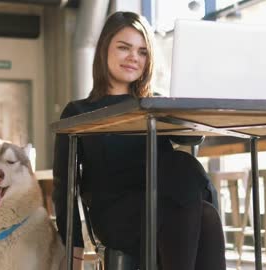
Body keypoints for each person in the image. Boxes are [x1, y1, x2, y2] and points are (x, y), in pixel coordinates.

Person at [53, 11, 226, 270]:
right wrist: (74, 249)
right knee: (200, 208)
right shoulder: (79, 112)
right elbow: (64, 187)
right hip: (117, 214)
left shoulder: (155, 103)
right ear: (104, 50)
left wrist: (191, 91)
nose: (134, 57)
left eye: (143, 52)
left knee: (186, 174)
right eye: (124, 48)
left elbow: (192, 134)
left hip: (167, 206)